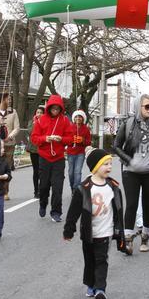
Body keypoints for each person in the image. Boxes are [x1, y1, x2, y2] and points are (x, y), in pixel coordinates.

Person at [63, 148, 126, 299]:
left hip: (106, 231)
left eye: (110, 163)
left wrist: (120, 233)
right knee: (89, 260)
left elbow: (118, 210)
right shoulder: (84, 188)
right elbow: (73, 211)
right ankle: (90, 284)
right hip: (89, 232)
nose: (109, 167)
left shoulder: (113, 187)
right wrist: (69, 230)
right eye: (105, 164)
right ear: (95, 166)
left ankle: (100, 289)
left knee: (101, 259)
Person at [113, 94, 149, 254]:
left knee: (147, 205)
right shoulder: (128, 123)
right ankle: (128, 240)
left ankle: (145, 238)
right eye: (147, 106)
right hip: (131, 172)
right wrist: (128, 160)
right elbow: (116, 146)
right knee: (131, 205)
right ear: (139, 106)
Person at [31, 94, 73, 222]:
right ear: (48, 108)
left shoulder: (65, 121)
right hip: (44, 157)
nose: (55, 111)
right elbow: (34, 138)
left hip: (58, 158)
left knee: (57, 186)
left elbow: (70, 139)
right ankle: (43, 204)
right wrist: (46, 138)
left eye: (57, 109)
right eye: (53, 108)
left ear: (61, 109)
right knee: (43, 186)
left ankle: (56, 212)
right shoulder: (40, 120)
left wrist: (62, 139)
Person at [0, 92, 21, 200]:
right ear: (2, 99)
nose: (10, 101)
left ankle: (5, 191)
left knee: (6, 167)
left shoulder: (13, 112)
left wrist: (10, 136)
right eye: (8, 99)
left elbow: (17, 127)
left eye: (10, 99)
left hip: (9, 144)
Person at [66, 110, 91, 191]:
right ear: (74, 118)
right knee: (70, 173)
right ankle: (72, 186)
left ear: (83, 118)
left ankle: (76, 190)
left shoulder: (86, 129)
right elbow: (66, 140)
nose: (78, 118)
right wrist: (72, 140)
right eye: (76, 117)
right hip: (70, 152)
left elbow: (88, 142)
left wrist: (82, 140)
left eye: (80, 117)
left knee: (77, 172)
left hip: (80, 153)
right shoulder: (70, 127)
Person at [27, 106, 44, 198]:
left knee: (42, 171)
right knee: (36, 171)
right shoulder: (32, 122)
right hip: (33, 149)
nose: (39, 114)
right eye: (37, 112)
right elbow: (30, 132)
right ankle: (36, 191)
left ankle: (43, 189)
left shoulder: (46, 122)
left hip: (43, 149)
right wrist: (35, 124)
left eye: (41, 112)